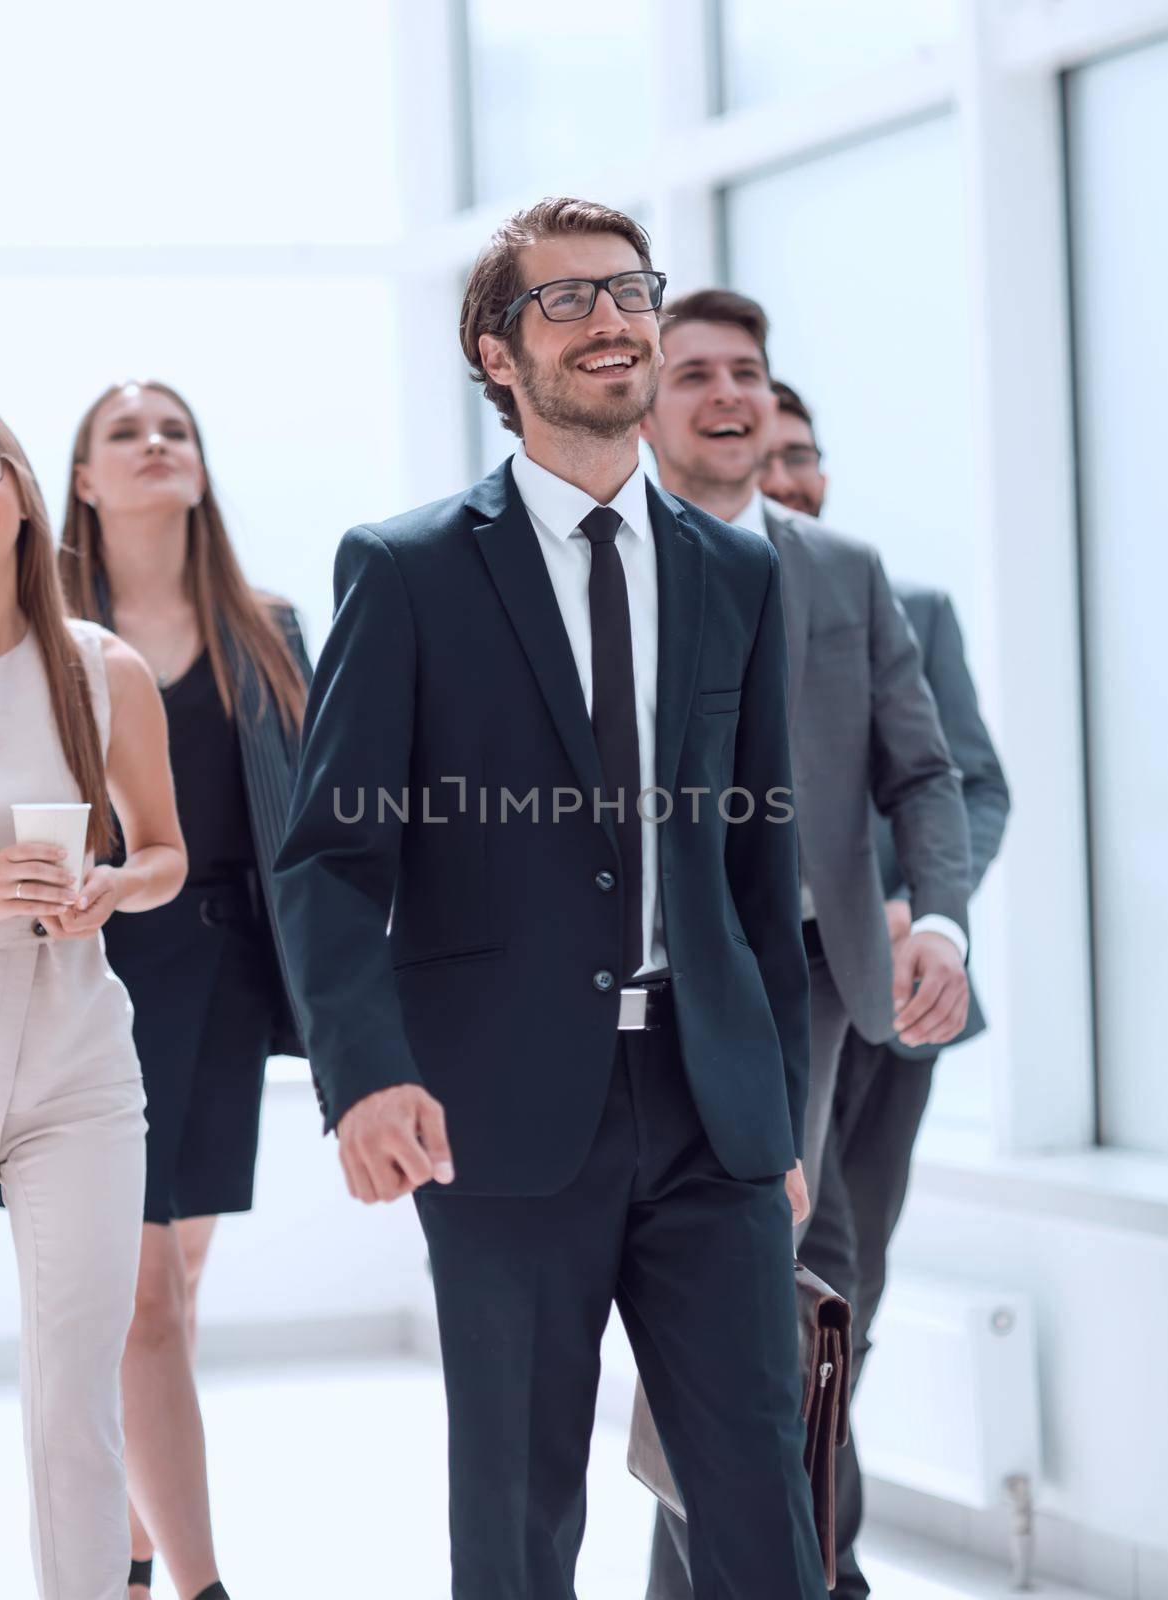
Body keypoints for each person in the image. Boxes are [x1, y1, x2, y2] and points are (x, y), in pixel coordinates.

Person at [275, 197, 827, 1599]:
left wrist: (779, 1111)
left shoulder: (736, 574)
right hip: (496, 1107)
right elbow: (334, 858)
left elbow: (759, 869)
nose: (612, 321)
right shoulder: (404, 571)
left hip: (711, 1108)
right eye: (566, 301)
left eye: (628, 291)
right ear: (496, 353)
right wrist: (364, 1076)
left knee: (762, 1495)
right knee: (519, 1506)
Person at [640, 291, 973, 1600]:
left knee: (803, 1299)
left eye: (750, 375)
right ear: (644, 403)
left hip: (809, 995)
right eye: (698, 374)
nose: (731, 396)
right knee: (720, 1308)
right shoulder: (606, 569)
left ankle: (815, 1580)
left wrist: (936, 919)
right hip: (648, 987)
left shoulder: (841, 572)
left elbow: (928, 772)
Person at [59, 381, 312, 1600]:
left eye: (178, 432)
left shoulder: (268, 627)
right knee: (142, 1292)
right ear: (85, 481)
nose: (158, 445)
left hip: (222, 977)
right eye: (127, 432)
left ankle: (130, 1556)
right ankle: (199, 1583)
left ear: (200, 473)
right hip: (83, 972)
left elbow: (311, 821)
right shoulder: (38, 632)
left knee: (177, 1284)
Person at [761, 378, 1011, 1600]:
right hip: (770, 999)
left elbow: (964, 782)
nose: (789, 471)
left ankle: (777, 1562)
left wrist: (930, 908)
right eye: (768, 451)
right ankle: (811, 1570)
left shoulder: (902, 604)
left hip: (898, 1012)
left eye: (804, 453)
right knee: (792, 1295)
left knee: (834, 1300)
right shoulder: (702, 611)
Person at [0, 398, 187, 1598]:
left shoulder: (101, 667)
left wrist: (109, 889)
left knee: (75, 1398)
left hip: (77, 1052)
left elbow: (163, 853)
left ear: (22, 486)